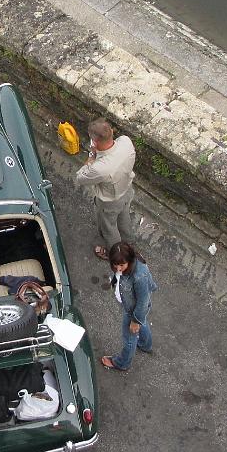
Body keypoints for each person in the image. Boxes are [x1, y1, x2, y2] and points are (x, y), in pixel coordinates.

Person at [75, 118, 136, 261]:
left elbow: (81, 177)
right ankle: (128, 240)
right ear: (112, 132)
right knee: (124, 216)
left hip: (110, 202)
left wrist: (92, 155)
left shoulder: (100, 168)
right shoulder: (126, 141)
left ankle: (117, 254)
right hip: (127, 191)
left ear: (94, 142)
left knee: (109, 228)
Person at [101, 242, 158, 371]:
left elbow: (143, 302)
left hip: (133, 310)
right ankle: (145, 345)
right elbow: (118, 275)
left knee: (129, 337)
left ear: (130, 260)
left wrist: (135, 321)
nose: (118, 269)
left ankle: (122, 363)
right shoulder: (126, 266)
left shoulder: (139, 276)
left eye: (121, 265)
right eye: (115, 265)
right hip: (132, 306)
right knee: (142, 323)